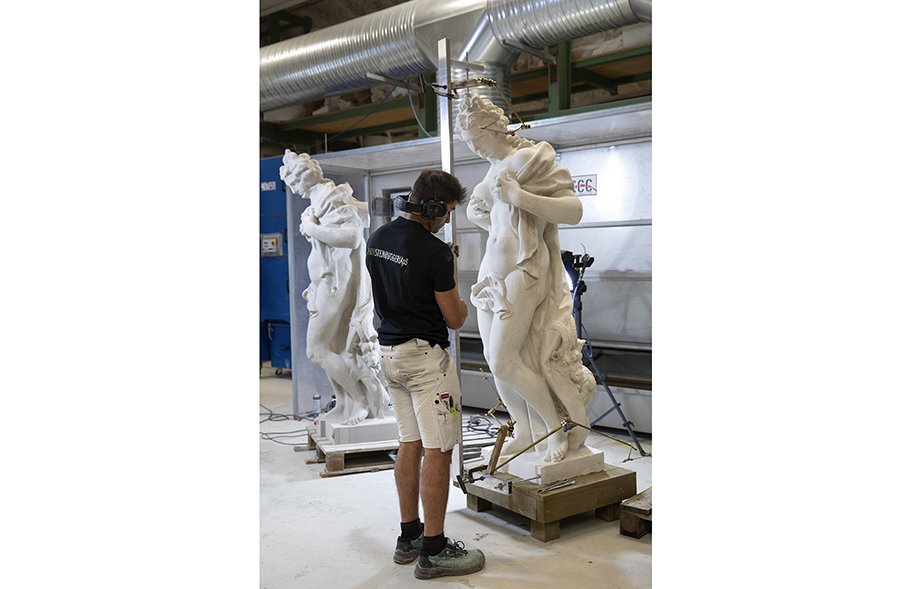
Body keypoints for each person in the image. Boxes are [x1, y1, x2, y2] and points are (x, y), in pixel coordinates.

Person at [456, 94, 597, 464]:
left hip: (525, 269)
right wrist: (480, 215)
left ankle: (555, 429)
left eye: (476, 139)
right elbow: (501, 223)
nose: (474, 148)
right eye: (468, 143)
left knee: (504, 360)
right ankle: (525, 429)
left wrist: (519, 196)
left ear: (493, 129)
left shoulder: (528, 160)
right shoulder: (491, 170)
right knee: (494, 359)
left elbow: (573, 210)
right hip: (491, 275)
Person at [365, 170, 486, 580]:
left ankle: (409, 537)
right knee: (439, 449)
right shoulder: (436, 254)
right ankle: (434, 551)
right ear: (432, 207)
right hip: (425, 362)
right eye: (447, 212)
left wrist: (437, 260)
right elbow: (454, 317)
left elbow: (404, 274)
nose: (448, 220)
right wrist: (457, 293)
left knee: (409, 442)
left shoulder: (378, 239)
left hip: (390, 355)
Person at [280, 150, 390, 427]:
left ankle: (361, 400)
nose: (293, 188)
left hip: (335, 282)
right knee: (336, 346)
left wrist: (311, 228)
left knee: (317, 349)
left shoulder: (331, 197)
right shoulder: (319, 200)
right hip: (324, 283)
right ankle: (345, 402)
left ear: (303, 177)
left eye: (292, 181)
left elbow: (352, 237)